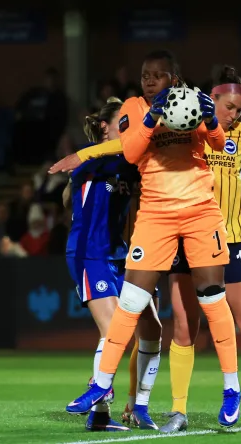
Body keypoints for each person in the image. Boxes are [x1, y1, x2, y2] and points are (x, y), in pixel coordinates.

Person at [51, 66, 241, 433]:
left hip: (231, 235)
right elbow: (127, 145)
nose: (234, 115)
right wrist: (87, 154)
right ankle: (174, 410)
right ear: (208, 101)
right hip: (179, 233)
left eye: (240, 110)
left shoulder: (239, 135)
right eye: (230, 107)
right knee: (181, 326)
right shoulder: (183, 123)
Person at [60, 50, 241, 429]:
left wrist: (210, 118)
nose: (149, 80)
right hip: (156, 216)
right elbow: (130, 149)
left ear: (174, 78)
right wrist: (151, 114)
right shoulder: (132, 106)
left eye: (158, 75)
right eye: (146, 74)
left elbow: (217, 143)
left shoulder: (192, 101)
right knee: (131, 303)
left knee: (213, 299)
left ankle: (232, 388)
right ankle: (101, 384)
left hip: (199, 211)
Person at [61, 98, 162, 431]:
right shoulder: (93, 160)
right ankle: (99, 393)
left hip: (118, 253)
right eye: (123, 121)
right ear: (105, 127)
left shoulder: (125, 162)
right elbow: (73, 186)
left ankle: (113, 412)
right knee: (114, 329)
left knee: (145, 328)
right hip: (89, 253)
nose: (130, 127)